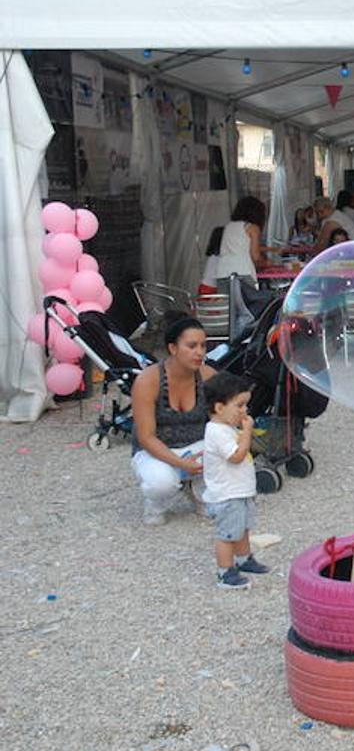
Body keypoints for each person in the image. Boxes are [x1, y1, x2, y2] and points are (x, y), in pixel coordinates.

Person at [131, 315, 217, 526]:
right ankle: (156, 502)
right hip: (156, 449)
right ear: (173, 348)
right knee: (161, 483)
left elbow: (222, 420)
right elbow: (146, 437)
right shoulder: (148, 380)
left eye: (203, 346)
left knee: (228, 453)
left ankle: (198, 490)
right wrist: (181, 464)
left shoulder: (208, 375)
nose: (200, 352)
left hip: (197, 445)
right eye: (192, 346)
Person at [200, 373, 270, 589]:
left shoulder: (227, 428)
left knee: (243, 528)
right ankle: (225, 571)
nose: (244, 411)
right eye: (239, 405)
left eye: (245, 405)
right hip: (226, 495)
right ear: (220, 408)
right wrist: (247, 432)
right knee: (227, 535)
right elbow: (236, 456)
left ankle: (243, 558)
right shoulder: (217, 432)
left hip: (239, 492)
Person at [214, 196, 271, 311]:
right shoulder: (252, 228)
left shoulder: (228, 227)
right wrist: (266, 262)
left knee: (229, 311)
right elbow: (255, 256)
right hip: (242, 274)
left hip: (222, 273)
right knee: (249, 309)